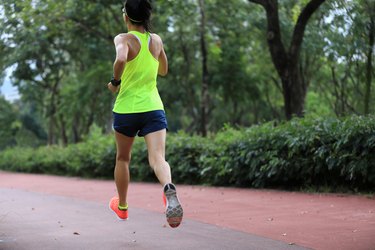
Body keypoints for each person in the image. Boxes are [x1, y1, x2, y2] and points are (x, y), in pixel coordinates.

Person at [107, 0, 183, 228]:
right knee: (158, 158)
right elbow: (164, 70)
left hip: (126, 109)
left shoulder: (123, 39)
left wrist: (115, 82)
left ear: (126, 16)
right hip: (153, 108)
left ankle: (122, 206)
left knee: (122, 158)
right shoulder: (156, 40)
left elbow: (121, 59)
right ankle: (168, 187)